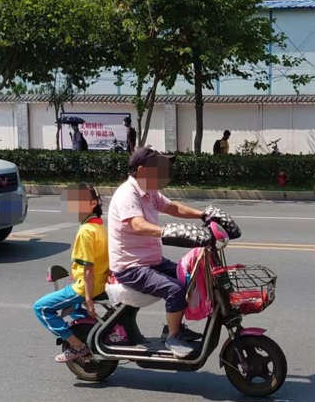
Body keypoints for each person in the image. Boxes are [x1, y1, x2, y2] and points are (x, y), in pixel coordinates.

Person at [108, 148, 214, 357]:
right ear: (142, 170)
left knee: (190, 276)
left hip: (151, 260)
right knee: (174, 289)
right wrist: (169, 230)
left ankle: (175, 326)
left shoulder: (150, 192)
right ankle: (173, 337)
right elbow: (138, 225)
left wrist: (204, 215)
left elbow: (173, 207)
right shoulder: (128, 194)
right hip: (131, 267)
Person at [33, 184, 110, 363]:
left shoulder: (85, 231)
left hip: (84, 287)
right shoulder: (98, 227)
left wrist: (89, 301)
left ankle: (77, 346)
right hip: (98, 282)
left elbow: (88, 269)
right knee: (74, 308)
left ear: (92, 204)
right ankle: (92, 332)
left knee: (41, 308)